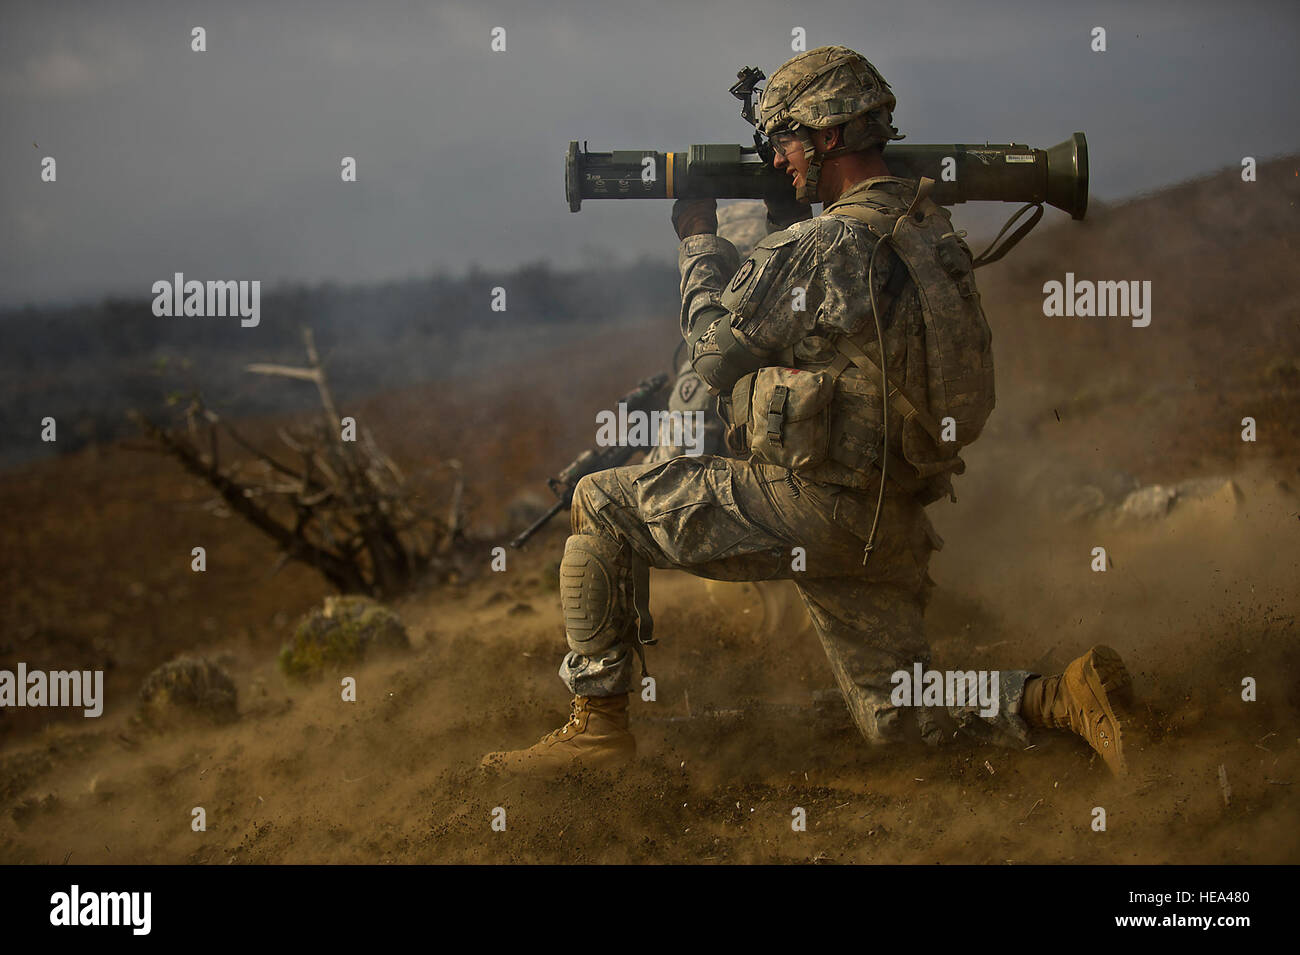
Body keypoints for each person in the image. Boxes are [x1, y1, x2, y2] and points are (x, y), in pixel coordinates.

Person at [482, 45, 1130, 779]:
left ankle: (595, 728)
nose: (780, 159)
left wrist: (698, 240)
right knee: (902, 720)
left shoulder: (819, 245)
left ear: (826, 137)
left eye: (786, 140)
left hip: (817, 509)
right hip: (892, 513)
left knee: (600, 499)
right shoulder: (927, 227)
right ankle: (1058, 696)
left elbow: (707, 355)